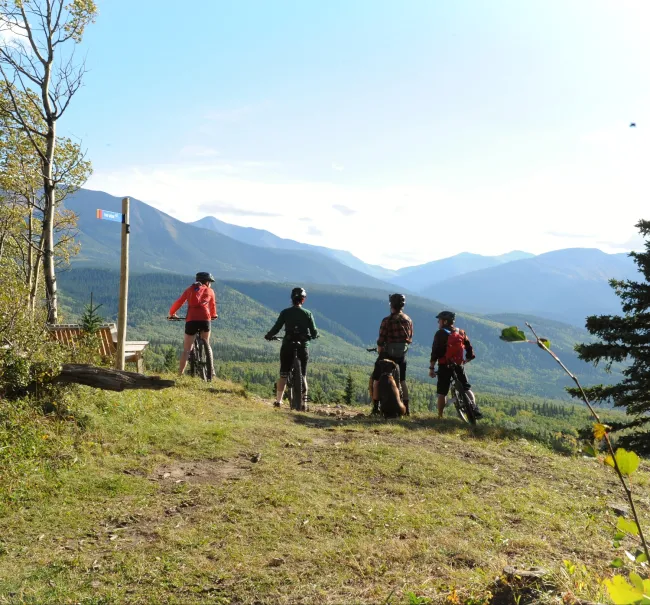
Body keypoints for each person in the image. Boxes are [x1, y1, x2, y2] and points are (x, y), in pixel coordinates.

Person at [264, 287, 319, 408]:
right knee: (303, 375)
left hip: (288, 346)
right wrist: (315, 335)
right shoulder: (308, 313)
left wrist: (269, 335)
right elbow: (314, 331)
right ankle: (304, 403)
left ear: (292, 299)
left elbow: (277, 327)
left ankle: (278, 401)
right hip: (303, 346)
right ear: (303, 300)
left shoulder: (285, 312)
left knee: (283, 374)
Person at [428, 310, 482, 419]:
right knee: (466, 387)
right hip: (458, 365)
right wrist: (467, 359)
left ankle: (440, 416)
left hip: (444, 365)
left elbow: (435, 352)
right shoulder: (461, 332)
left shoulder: (440, 333)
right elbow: (469, 347)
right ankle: (474, 407)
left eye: (439, 320)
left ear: (445, 321)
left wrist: (432, 368)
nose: (438, 322)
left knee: (442, 392)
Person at [371, 293, 413, 415]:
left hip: (388, 355)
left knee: (376, 379)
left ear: (391, 305)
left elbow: (381, 339)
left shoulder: (387, 321)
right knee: (403, 380)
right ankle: (406, 408)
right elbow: (410, 337)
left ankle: (375, 408)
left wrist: (380, 350)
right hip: (401, 355)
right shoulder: (408, 320)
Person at [169, 272, 218, 376]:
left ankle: (180, 374)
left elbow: (179, 302)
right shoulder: (210, 291)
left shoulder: (189, 290)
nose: (210, 284)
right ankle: (211, 370)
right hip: (205, 319)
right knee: (207, 342)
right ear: (207, 282)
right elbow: (212, 305)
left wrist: (172, 313)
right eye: (210, 282)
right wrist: (213, 315)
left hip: (191, 320)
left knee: (187, 349)